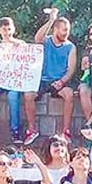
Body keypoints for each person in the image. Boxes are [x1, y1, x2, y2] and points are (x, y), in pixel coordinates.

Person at [30, 8, 77, 143]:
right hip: (42, 79)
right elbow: (37, 38)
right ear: (55, 29)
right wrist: (51, 20)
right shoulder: (46, 41)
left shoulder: (70, 47)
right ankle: (31, 130)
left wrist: (62, 81)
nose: (66, 33)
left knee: (68, 94)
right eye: (63, 29)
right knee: (28, 94)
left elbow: (71, 69)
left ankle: (65, 131)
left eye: (67, 30)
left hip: (59, 80)